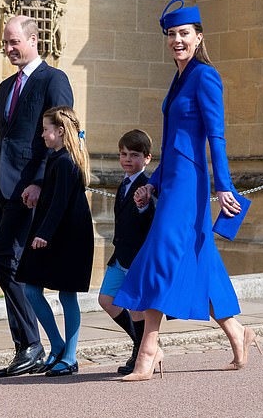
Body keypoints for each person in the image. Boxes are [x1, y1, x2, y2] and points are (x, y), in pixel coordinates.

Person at [113, 0, 262, 382]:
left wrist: (224, 187)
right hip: (174, 180)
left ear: (198, 37)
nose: (177, 40)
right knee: (203, 261)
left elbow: (216, 137)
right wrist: (152, 183)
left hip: (192, 185)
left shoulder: (205, 76)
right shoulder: (179, 77)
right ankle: (238, 332)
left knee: (160, 254)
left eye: (184, 34)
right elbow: (177, 141)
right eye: (171, 34)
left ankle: (148, 349)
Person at [0, 15, 74, 378]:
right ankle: (28, 347)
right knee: (13, 265)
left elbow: (63, 134)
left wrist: (39, 182)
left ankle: (34, 345)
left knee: (4, 259)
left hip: (31, 193)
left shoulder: (55, 79)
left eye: (13, 43)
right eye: (4, 43)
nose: (7, 49)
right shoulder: (6, 87)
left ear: (34, 40)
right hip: (3, 193)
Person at [15, 106, 94, 376]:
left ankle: (70, 355)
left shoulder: (67, 162)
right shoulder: (56, 157)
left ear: (60, 131)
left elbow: (60, 204)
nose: (42, 134)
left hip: (67, 236)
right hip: (52, 233)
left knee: (66, 294)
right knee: (31, 289)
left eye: (46, 129)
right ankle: (58, 344)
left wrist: (43, 234)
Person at [97, 129, 155, 375]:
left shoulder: (147, 184)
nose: (127, 159)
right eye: (123, 154)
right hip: (120, 254)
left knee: (137, 307)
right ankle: (140, 343)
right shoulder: (123, 183)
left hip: (137, 256)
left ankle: (142, 353)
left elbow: (151, 216)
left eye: (134, 155)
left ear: (147, 158)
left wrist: (143, 206)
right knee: (106, 300)